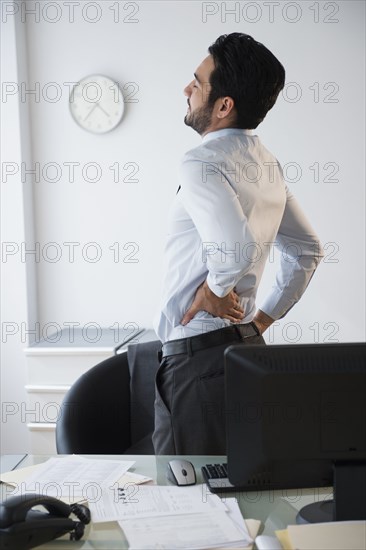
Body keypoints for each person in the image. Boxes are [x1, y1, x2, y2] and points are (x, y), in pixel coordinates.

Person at [152, 33, 324, 455]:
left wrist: (214, 290)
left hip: (196, 361)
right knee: (237, 487)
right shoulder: (266, 162)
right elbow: (308, 250)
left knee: (183, 488)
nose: (187, 89)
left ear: (224, 104)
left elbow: (237, 250)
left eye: (198, 81)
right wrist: (263, 319)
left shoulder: (200, 161)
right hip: (246, 350)